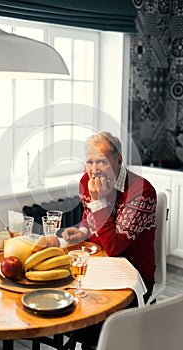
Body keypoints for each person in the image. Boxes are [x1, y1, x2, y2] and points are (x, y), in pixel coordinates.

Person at [62, 131, 157, 349]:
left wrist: (99, 202)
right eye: (89, 162)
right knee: (67, 302)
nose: (94, 170)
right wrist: (84, 231)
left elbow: (114, 247)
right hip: (100, 268)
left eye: (102, 162)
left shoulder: (141, 191)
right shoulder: (87, 181)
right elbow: (89, 218)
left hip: (135, 276)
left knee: (86, 321)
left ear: (119, 160)